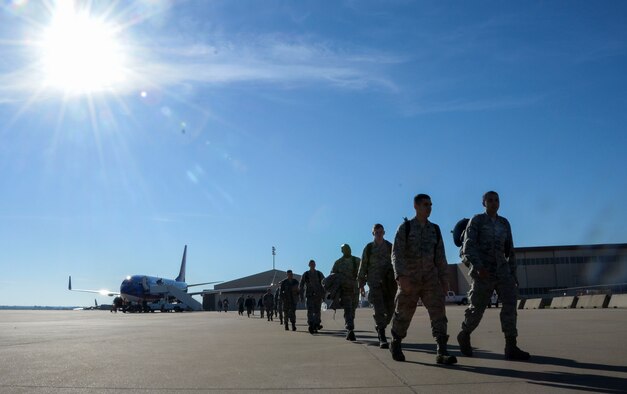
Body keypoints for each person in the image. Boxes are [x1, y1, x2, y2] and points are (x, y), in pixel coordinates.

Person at [457, 191, 530, 361]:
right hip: (484, 271)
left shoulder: (504, 223)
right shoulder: (477, 220)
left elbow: (510, 250)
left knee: (510, 305)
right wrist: (478, 267)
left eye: (496, 200)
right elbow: (468, 247)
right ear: (484, 203)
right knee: (477, 308)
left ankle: (511, 345)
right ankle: (465, 334)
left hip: (502, 270)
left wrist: (513, 273)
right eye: (490, 200)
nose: (494, 202)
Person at [389, 194, 457, 365]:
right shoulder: (405, 228)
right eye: (426, 204)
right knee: (403, 315)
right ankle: (396, 342)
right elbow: (396, 254)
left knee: (439, 315)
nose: (429, 207)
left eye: (430, 204)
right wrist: (401, 277)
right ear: (416, 206)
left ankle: (442, 351)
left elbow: (440, 256)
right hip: (409, 281)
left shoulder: (435, 229)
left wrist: (444, 278)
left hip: (430, 280)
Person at [359, 224, 396, 348]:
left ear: (384, 232)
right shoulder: (369, 248)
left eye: (381, 232)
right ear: (373, 234)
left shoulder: (390, 247)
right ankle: (382, 335)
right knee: (379, 309)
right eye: (376, 232)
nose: (379, 234)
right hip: (374, 283)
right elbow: (363, 265)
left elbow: (397, 263)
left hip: (389, 284)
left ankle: (381, 326)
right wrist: (361, 284)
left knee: (391, 309)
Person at [331, 244, 360, 341]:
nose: (348, 250)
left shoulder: (357, 260)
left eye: (349, 248)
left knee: (353, 310)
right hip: (345, 291)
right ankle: (350, 329)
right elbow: (332, 275)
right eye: (345, 249)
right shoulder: (338, 263)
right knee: (348, 310)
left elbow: (363, 272)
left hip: (355, 290)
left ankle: (350, 326)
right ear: (342, 251)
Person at [299, 260, 325, 334]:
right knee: (310, 311)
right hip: (309, 295)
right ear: (309, 265)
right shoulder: (306, 274)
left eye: (313, 264)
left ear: (315, 265)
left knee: (317, 311)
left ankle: (316, 324)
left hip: (318, 295)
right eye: (311, 264)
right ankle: (311, 324)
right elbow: (301, 285)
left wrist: (324, 295)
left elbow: (324, 284)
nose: (312, 265)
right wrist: (301, 296)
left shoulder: (319, 274)